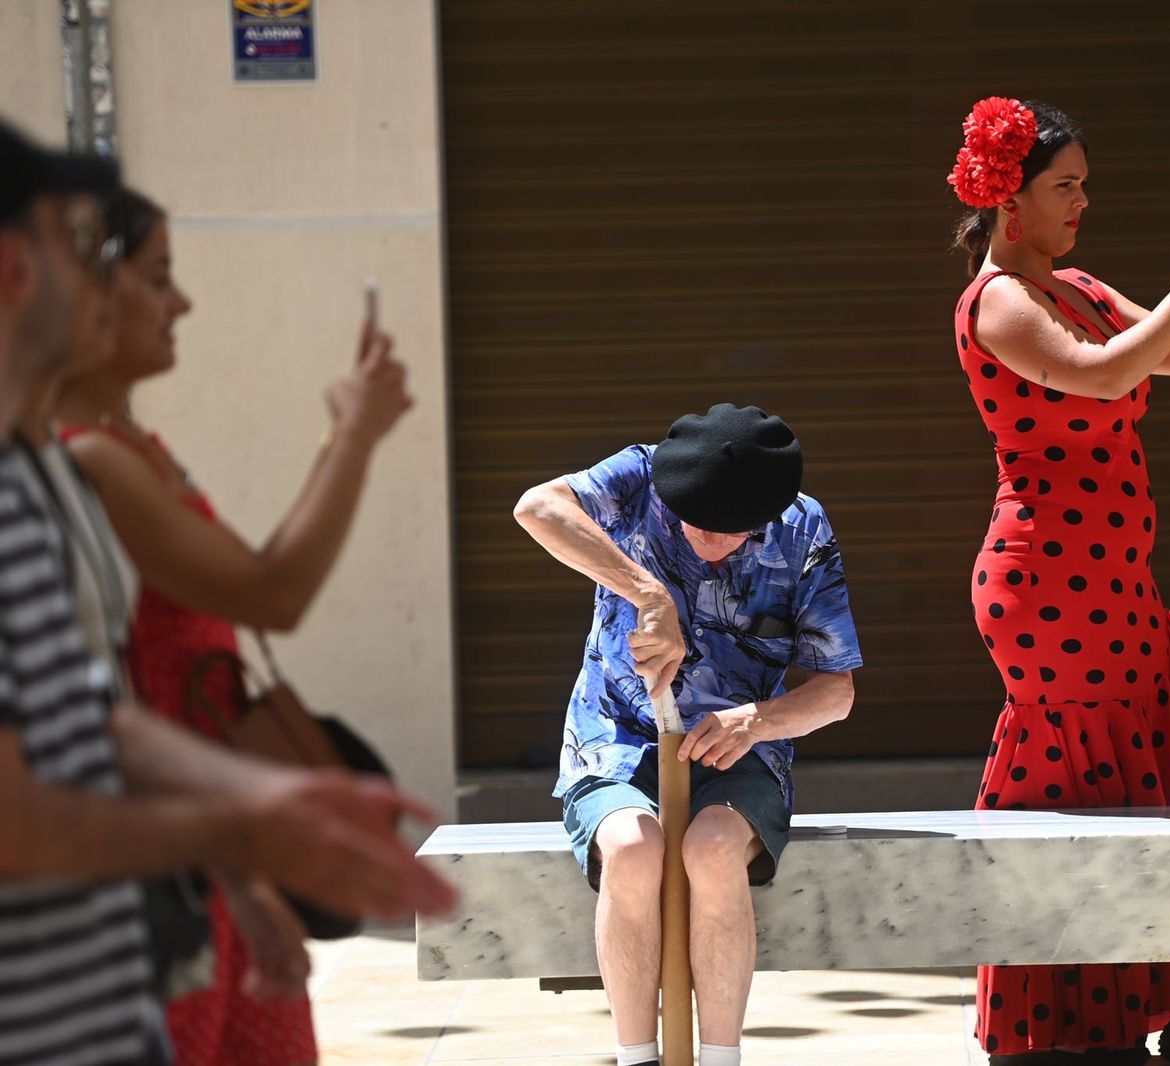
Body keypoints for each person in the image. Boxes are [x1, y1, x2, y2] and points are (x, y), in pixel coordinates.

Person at [0, 120, 455, 1066]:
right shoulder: (85, 461)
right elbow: (272, 591)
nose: (179, 301)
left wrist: (249, 833)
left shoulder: (36, 472)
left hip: (131, 934)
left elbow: (96, 717)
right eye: (88, 251)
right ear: (15, 270)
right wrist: (245, 825)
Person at [947, 98, 1170, 1065]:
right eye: (1065, 186)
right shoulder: (999, 301)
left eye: (1085, 187)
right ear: (1008, 199)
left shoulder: (1072, 284)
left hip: (1117, 583)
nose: (1081, 203)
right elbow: (1104, 377)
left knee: (1163, 780)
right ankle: (1066, 1024)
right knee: (1082, 798)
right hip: (1050, 588)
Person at [513, 403, 862, 1066]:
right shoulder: (639, 475)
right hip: (615, 732)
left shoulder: (804, 528)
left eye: (730, 533)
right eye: (695, 524)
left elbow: (835, 694)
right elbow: (536, 508)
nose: (708, 542)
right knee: (634, 849)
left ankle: (723, 1057)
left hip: (739, 744)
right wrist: (647, 593)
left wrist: (758, 720)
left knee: (710, 852)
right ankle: (638, 1056)